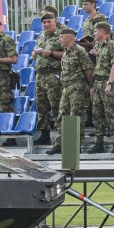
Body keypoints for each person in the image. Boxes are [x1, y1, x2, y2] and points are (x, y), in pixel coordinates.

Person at [45, 27, 93, 156]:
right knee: (62, 115)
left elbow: (88, 69)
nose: (59, 40)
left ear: (69, 38)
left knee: (76, 116)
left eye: (61, 37)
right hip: (66, 87)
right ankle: (59, 144)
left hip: (78, 86)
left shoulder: (80, 51)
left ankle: (76, 145)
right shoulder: (65, 52)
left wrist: (90, 86)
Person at [89, 22, 114, 154]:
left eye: (95, 31)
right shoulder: (100, 47)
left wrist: (109, 83)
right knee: (97, 114)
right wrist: (93, 86)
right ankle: (99, 143)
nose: (94, 34)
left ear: (102, 32)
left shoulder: (112, 45)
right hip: (98, 83)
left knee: (110, 113)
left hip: (107, 83)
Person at [33, 13, 64, 146]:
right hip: (40, 75)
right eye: (44, 22)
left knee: (56, 106)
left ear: (55, 22)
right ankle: (44, 134)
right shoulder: (41, 36)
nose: (46, 25)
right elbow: (35, 55)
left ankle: (60, 136)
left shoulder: (60, 36)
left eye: (48, 22)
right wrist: (35, 53)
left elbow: (67, 53)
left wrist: (50, 53)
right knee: (41, 106)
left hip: (53, 75)